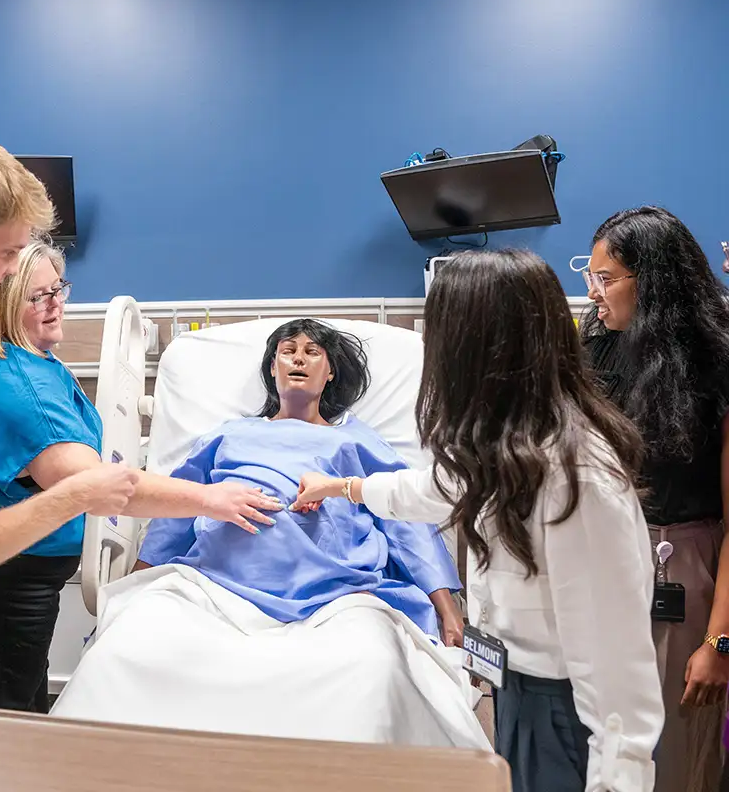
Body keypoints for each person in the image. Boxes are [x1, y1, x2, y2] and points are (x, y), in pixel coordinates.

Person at [292, 250, 665, 792]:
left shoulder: (575, 476)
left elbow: (616, 672)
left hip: (567, 714)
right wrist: (344, 487)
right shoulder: (510, 446)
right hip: (516, 687)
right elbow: (432, 489)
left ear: (482, 350)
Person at [50, 319, 487, 750]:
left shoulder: (356, 442)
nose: (299, 357)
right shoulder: (227, 435)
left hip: (337, 596)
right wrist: (133, 591)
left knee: (370, 670)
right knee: (124, 652)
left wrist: (447, 610)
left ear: (330, 372)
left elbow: (405, 520)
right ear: (273, 368)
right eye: (287, 350)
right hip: (212, 585)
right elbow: (175, 510)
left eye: (313, 351)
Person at [0, 239, 283, 713]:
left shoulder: (8, 359)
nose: (57, 303)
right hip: (11, 580)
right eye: (37, 297)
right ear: (0, 302)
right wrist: (211, 499)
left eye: (58, 288)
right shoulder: (18, 389)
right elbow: (99, 487)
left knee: (14, 692)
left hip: (4, 569)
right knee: (10, 708)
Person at [0, 130, 142, 707]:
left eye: (58, 289)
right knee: (4, 724)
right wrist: (210, 500)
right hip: (0, 583)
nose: (6, 273)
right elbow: (77, 478)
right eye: (5, 256)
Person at [578, 206, 729, 792]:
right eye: (589, 276)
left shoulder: (715, 364)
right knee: (603, 736)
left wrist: (719, 642)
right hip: (604, 557)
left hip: (681, 565)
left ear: (654, 280)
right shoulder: (598, 346)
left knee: (672, 748)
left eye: (606, 279)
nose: (593, 293)